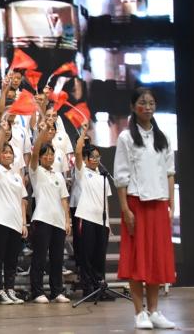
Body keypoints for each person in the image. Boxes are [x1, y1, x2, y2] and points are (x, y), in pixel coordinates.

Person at [114, 87, 176, 330]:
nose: (148, 107)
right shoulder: (126, 138)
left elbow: (169, 172)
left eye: (151, 103)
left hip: (159, 203)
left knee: (156, 258)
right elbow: (121, 176)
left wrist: (170, 204)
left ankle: (155, 311)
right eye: (142, 102)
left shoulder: (163, 137)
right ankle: (139, 313)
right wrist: (125, 209)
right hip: (136, 203)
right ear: (133, 107)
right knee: (137, 258)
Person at [28, 121, 71, 304]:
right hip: (42, 219)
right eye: (45, 154)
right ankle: (37, 291)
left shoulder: (58, 175)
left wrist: (67, 220)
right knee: (39, 258)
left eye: (51, 154)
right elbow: (35, 152)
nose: (49, 157)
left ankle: (56, 291)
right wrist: (44, 131)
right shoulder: (36, 171)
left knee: (57, 259)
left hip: (58, 221)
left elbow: (64, 199)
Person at [0, 122, 29, 305]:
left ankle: (10, 288)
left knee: (12, 259)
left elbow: (22, 200)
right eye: (5, 152)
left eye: (10, 152)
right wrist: (3, 133)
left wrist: (24, 222)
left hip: (15, 222)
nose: (7, 155)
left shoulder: (17, 175)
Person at [72, 124, 112, 300]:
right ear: (86, 159)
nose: (95, 159)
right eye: (92, 157)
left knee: (99, 256)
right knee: (87, 256)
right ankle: (88, 289)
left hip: (101, 221)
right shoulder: (82, 173)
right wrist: (82, 134)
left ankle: (99, 288)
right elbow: (77, 153)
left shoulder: (103, 177)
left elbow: (106, 202)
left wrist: (108, 223)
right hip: (87, 218)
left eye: (97, 157)